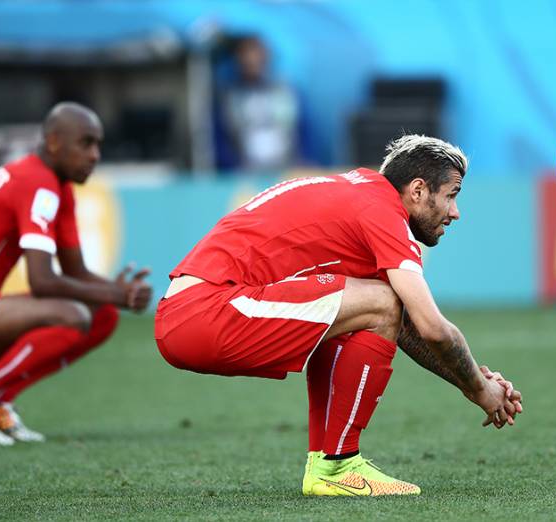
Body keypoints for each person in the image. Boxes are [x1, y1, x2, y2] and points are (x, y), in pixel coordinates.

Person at [155, 135, 523, 496]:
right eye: (452, 195)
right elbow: (431, 327)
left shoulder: (360, 192)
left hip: (193, 310)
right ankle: (337, 464)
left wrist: (472, 381)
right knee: (381, 300)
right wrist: (479, 387)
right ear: (418, 190)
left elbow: (402, 327)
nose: (456, 212)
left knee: (372, 304)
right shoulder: (382, 212)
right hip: (209, 310)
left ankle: (330, 464)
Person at [0, 102, 152, 446]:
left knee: (102, 316)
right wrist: (118, 293)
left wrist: (117, 293)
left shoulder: (58, 186)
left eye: (98, 144)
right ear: (53, 142)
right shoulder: (37, 183)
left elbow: (76, 272)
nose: (95, 155)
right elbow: (42, 281)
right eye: (86, 143)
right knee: (71, 315)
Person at [213, 35, 313, 172]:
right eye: (245, 56)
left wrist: (302, 163)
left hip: (286, 169)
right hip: (244, 174)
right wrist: (232, 168)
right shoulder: (228, 99)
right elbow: (220, 141)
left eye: (256, 55)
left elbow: (304, 132)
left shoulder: (287, 93)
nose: (251, 61)